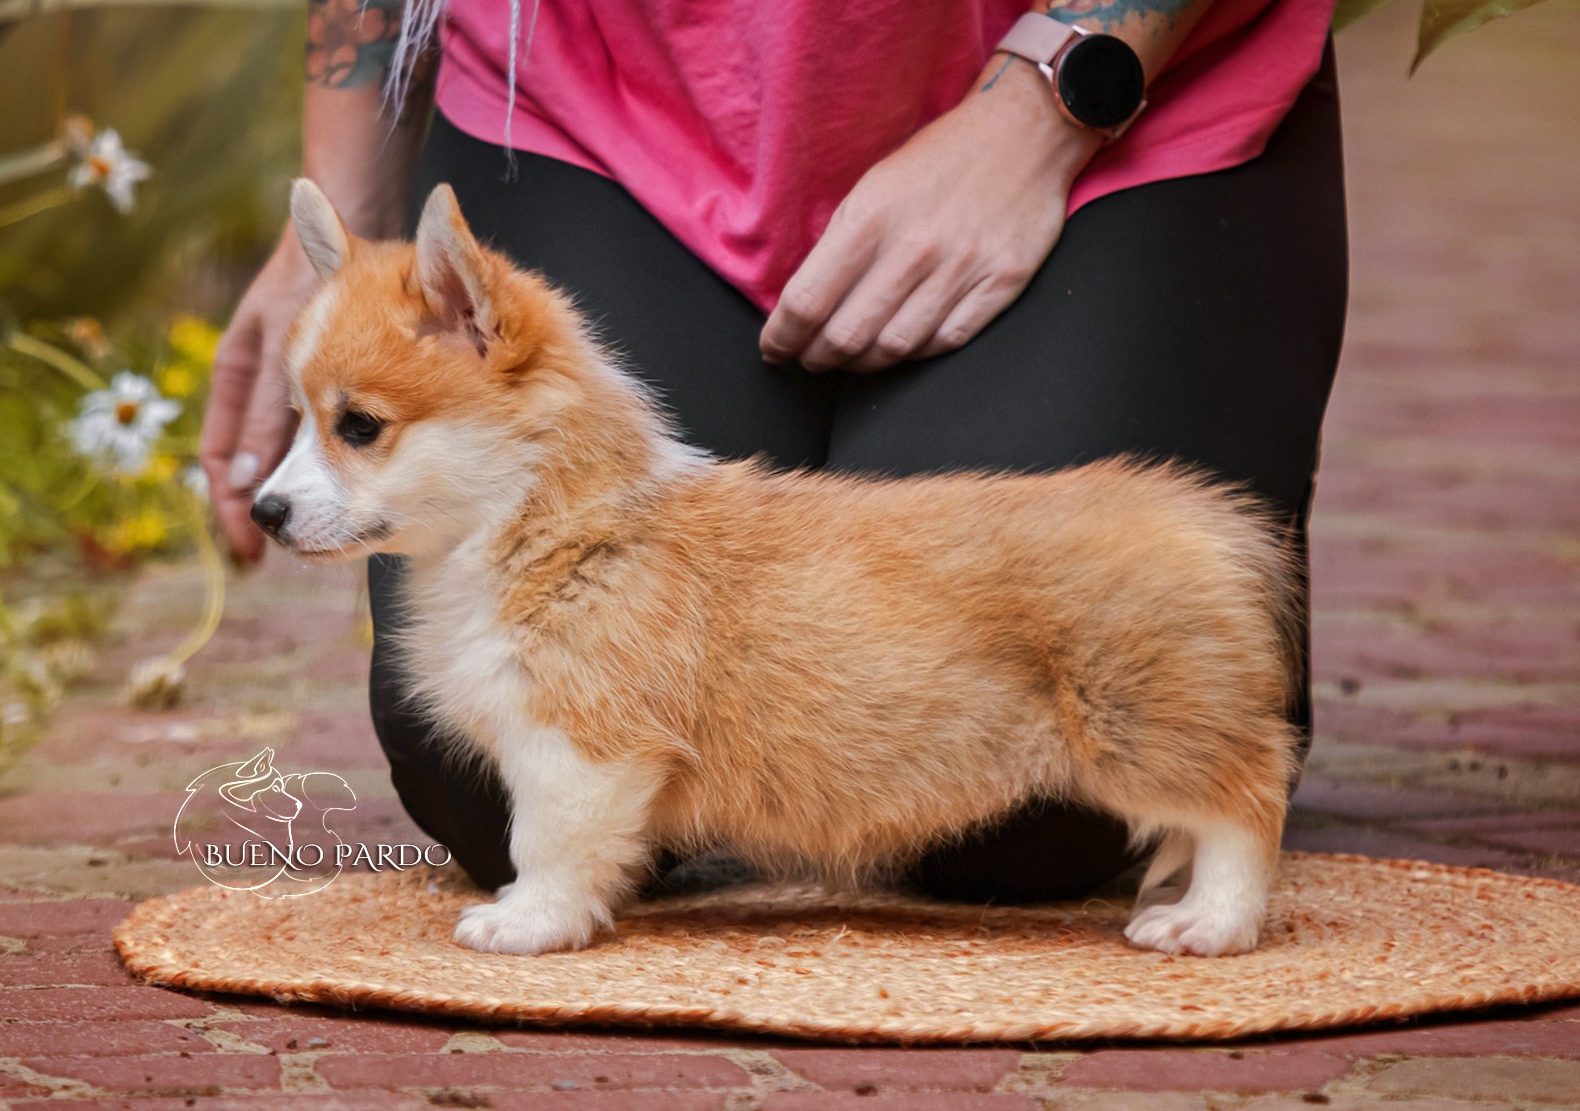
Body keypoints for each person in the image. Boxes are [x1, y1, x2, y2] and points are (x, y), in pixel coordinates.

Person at [202, 0, 1347, 902]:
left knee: (1038, 814)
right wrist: (351, 224)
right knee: (491, 772)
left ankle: (1226, 690)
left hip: (1109, 98)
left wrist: (1045, 108)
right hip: (612, 102)